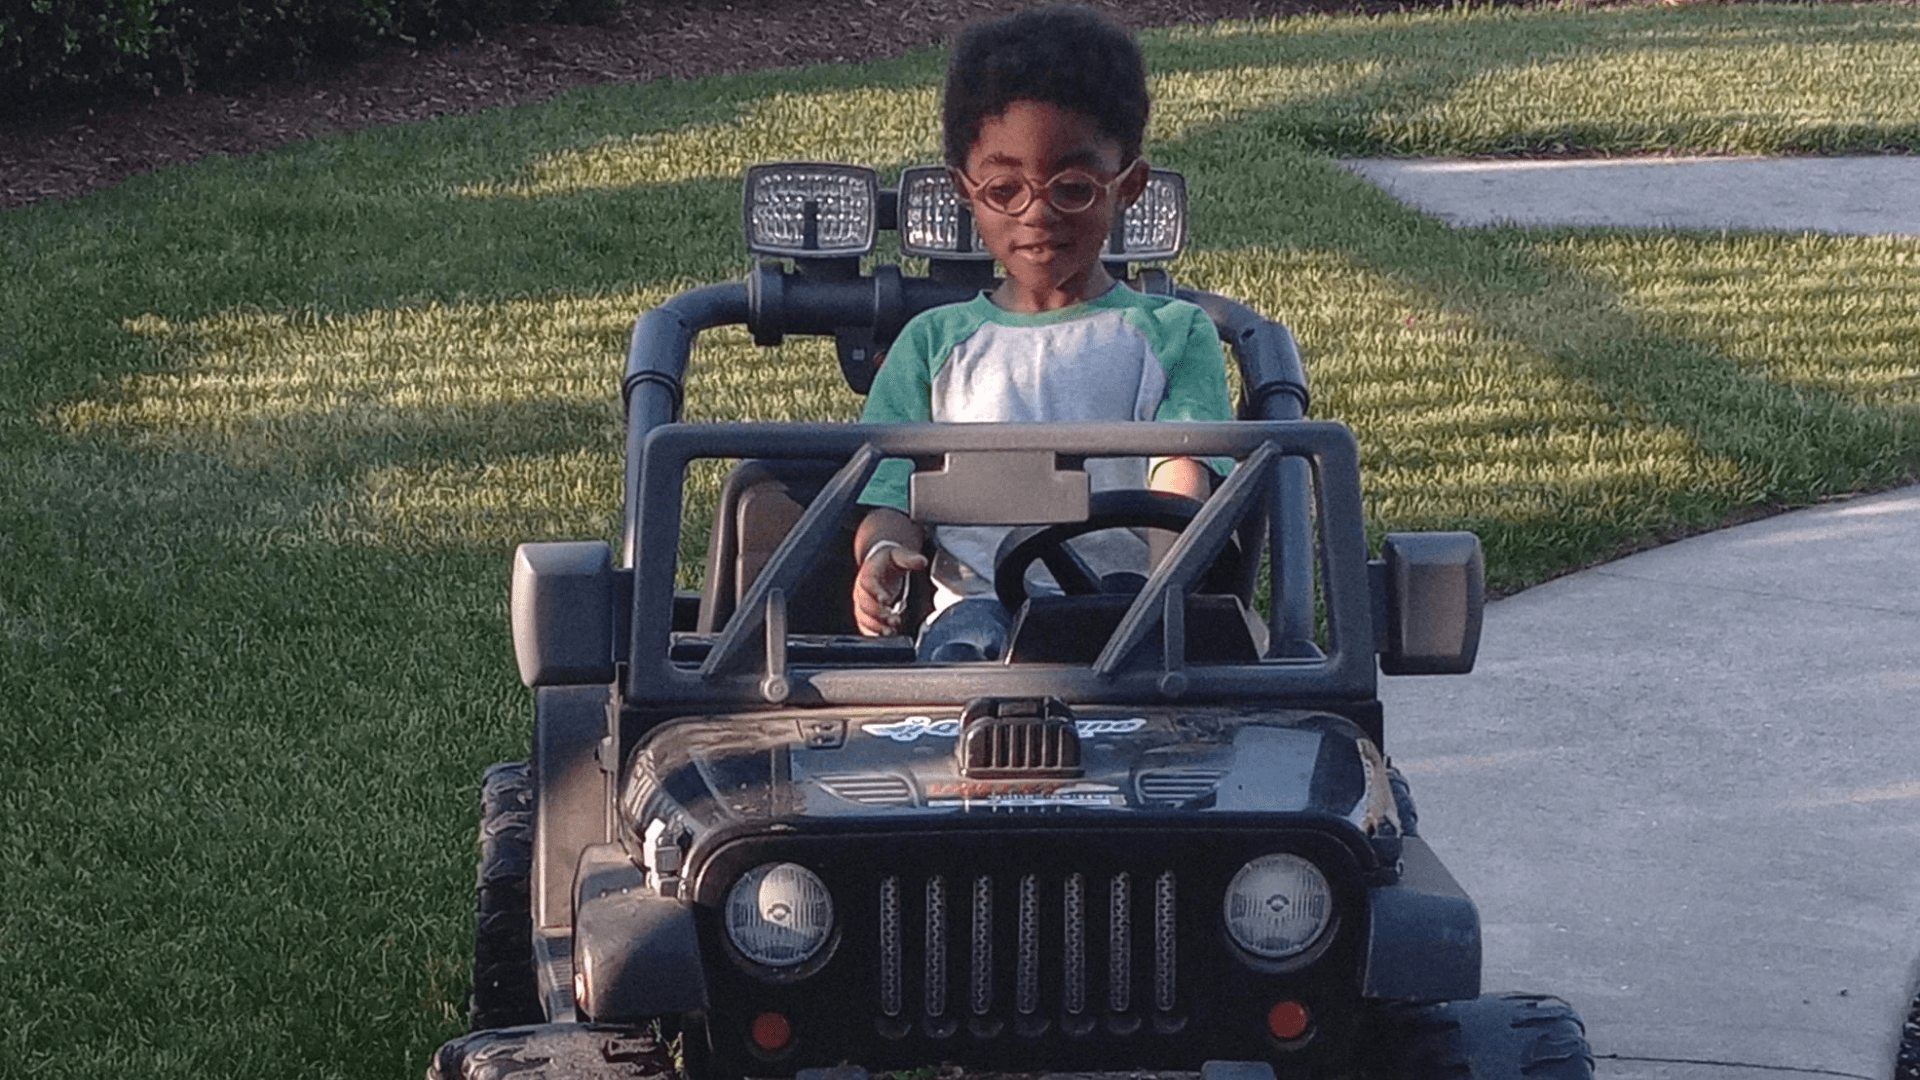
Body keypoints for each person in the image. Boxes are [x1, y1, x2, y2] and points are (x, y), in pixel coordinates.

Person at [850, 4, 1232, 663]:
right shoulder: (930, 343)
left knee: (1141, 656)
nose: (1038, 213)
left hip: (1125, 606)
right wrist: (883, 553)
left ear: (1129, 186)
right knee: (971, 653)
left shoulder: (1174, 334)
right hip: (974, 610)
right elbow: (889, 493)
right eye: (1005, 189)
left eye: (1073, 188)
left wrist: (1167, 590)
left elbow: (1181, 473)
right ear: (965, 191)